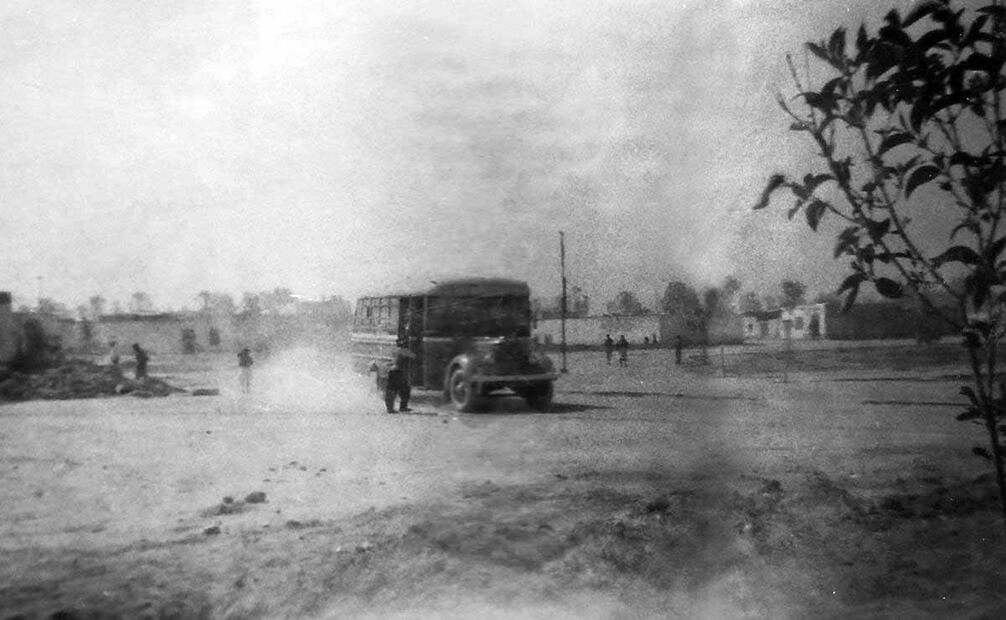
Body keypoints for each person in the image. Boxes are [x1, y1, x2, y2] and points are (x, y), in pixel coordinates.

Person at [384, 342, 415, 413]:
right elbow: (414, 356)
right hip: (398, 372)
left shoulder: (397, 350)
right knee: (400, 390)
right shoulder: (404, 351)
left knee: (399, 390)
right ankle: (400, 407)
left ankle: (391, 408)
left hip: (395, 371)